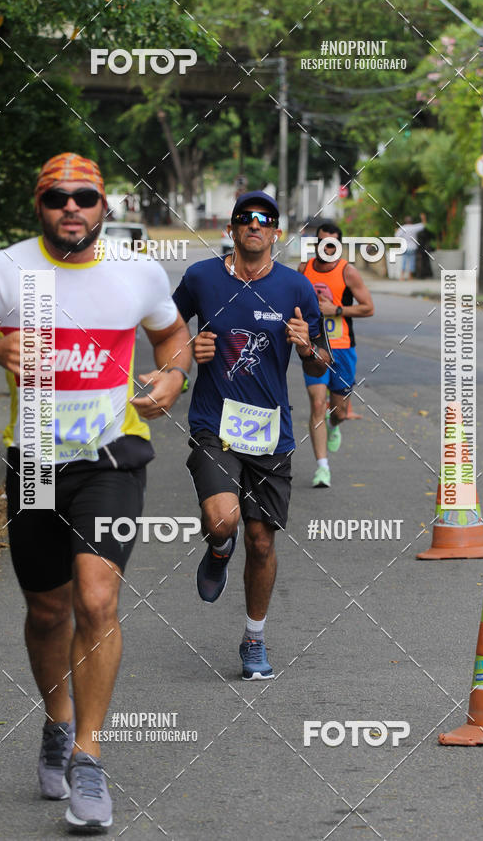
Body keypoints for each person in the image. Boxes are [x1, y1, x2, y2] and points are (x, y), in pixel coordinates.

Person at [0, 152, 191, 830]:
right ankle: (58, 723)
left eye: (85, 197)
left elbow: (172, 335)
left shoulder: (136, 272)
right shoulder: (3, 271)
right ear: (40, 205)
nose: (72, 209)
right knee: (49, 611)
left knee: (95, 597)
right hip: (33, 462)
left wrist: (173, 376)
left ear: (104, 204)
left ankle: (88, 755)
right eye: (58, 198)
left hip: (112, 456)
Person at [172, 190, 330, 680]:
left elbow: (324, 359)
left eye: (264, 220)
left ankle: (253, 638)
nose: (254, 225)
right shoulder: (201, 278)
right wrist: (186, 350)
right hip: (213, 424)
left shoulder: (295, 288)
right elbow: (166, 332)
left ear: (276, 232)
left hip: (271, 432)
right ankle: (219, 547)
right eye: (245, 218)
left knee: (261, 542)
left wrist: (307, 350)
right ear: (233, 229)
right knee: (224, 521)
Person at [299, 222, 374, 488]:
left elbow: (368, 308)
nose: (326, 248)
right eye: (322, 243)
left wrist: (337, 310)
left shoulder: (348, 272)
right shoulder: (303, 270)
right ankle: (322, 468)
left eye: (332, 244)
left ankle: (335, 424)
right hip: (315, 346)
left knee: (338, 411)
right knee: (317, 404)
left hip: (343, 348)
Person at [396, 214, 426, 280]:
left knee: (404, 261)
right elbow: (423, 225)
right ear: (411, 221)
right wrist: (423, 218)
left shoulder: (402, 228)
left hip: (405, 247)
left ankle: (402, 276)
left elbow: (396, 236)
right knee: (412, 261)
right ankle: (410, 276)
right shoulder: (414, 227)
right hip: (413, 247)